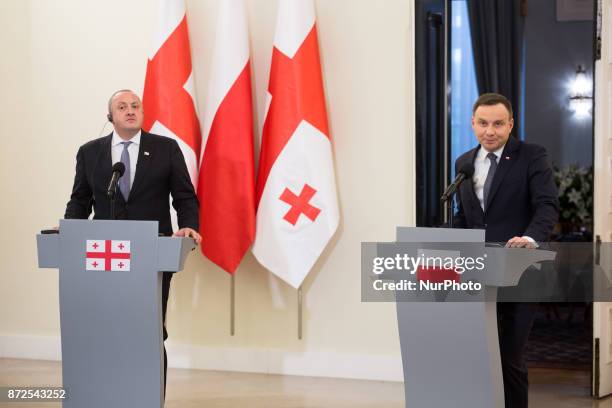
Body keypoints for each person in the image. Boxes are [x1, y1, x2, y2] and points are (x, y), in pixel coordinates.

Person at [64, 89, 201, 393]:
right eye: (122, 107)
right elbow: (80, 200)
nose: (130, 110)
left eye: (135, 106)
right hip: (103, 256)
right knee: (107, 327)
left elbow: (184, 195)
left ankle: (148, 395)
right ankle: (107, 390)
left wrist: (189, 225)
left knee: (149, 328)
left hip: (151, 253)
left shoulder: (165, 148)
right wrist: (70, 234)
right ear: (110, 117)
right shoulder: (90, 152)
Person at [453, 93, 559, 408]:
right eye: (483, 123)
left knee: (509, 356)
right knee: (480, 355)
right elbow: (464, 216)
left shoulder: (532, 156)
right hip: (477, 273)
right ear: (473, 124)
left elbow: (547, 206)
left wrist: (530, 238)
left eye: (498, 124)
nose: (490, 131)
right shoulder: (464, 164)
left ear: (510, 125)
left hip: (519, 270)